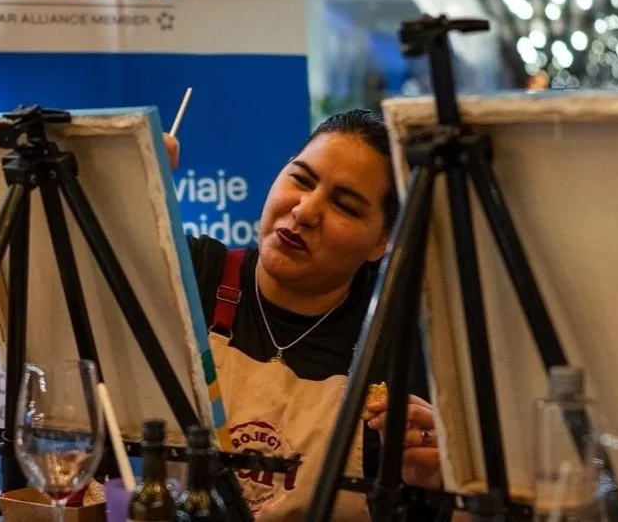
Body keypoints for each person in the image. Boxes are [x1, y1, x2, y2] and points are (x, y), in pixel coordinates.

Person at [162, 109, 444, 521]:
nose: (305, 211)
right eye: (301, 179)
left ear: (382, 241)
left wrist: (441, 481)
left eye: (344, 206)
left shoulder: (400, 345)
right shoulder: (191, 275)